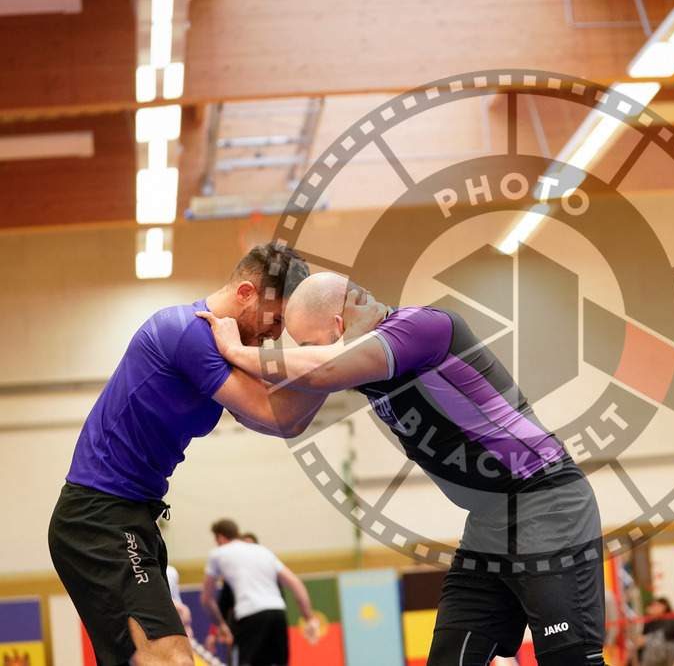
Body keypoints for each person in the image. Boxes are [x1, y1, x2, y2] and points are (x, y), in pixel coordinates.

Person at [198, 271, 609, 666]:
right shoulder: (353, 363)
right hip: (488, 524)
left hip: (544, 500)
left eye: (308, 342)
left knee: (569, 657)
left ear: (339, 325)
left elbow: (321, 367)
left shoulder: (422, 327)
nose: (304, 353)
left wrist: (238, 351)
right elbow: (284, 417)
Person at [47, 243, 379, 666]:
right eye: (276, 320)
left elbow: (285, 423)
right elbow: (275, 414)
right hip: (98, 517)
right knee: (172, 658)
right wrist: (342, 352)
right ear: (246, 293)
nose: (277, 335)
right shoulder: (187, 331)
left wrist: (340, 354)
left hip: (131, 516)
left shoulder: (225, 349)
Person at [201, 518, 319, 665]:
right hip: (278, 613)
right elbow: (297, 585)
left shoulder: (217, 554)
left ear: (220, 537)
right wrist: (309, 619)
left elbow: (206, 599)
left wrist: (219, 624)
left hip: (250, 615)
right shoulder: (263, 551)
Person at [634, 597, 674, 666]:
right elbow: (643, 637)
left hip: (669, 648)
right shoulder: (650, 621)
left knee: (654, 644)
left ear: (663, 607)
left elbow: (665, 635)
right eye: (649, 607)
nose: (651, 610)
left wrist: (647, 639)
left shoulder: (670, 618)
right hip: (656, 651)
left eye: (655, 606)